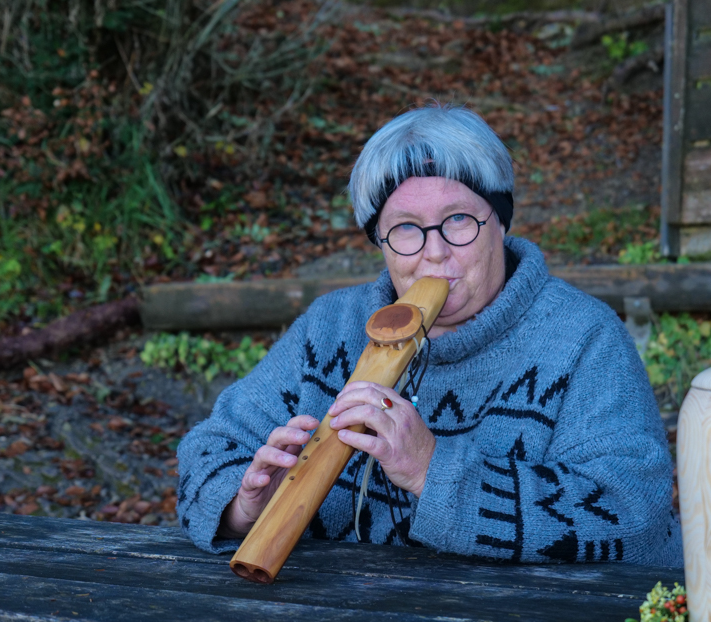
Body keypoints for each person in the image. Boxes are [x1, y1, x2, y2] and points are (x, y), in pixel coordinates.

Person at [176, 103, 682, 566]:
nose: (434, 253)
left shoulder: (582, 338)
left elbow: (634, 515)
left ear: (500, 222)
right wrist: (243, 506)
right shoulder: (330, 327)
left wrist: (433, 470)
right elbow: (209, 450)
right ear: (380, 240)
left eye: (458, 220)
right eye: (406, 228)